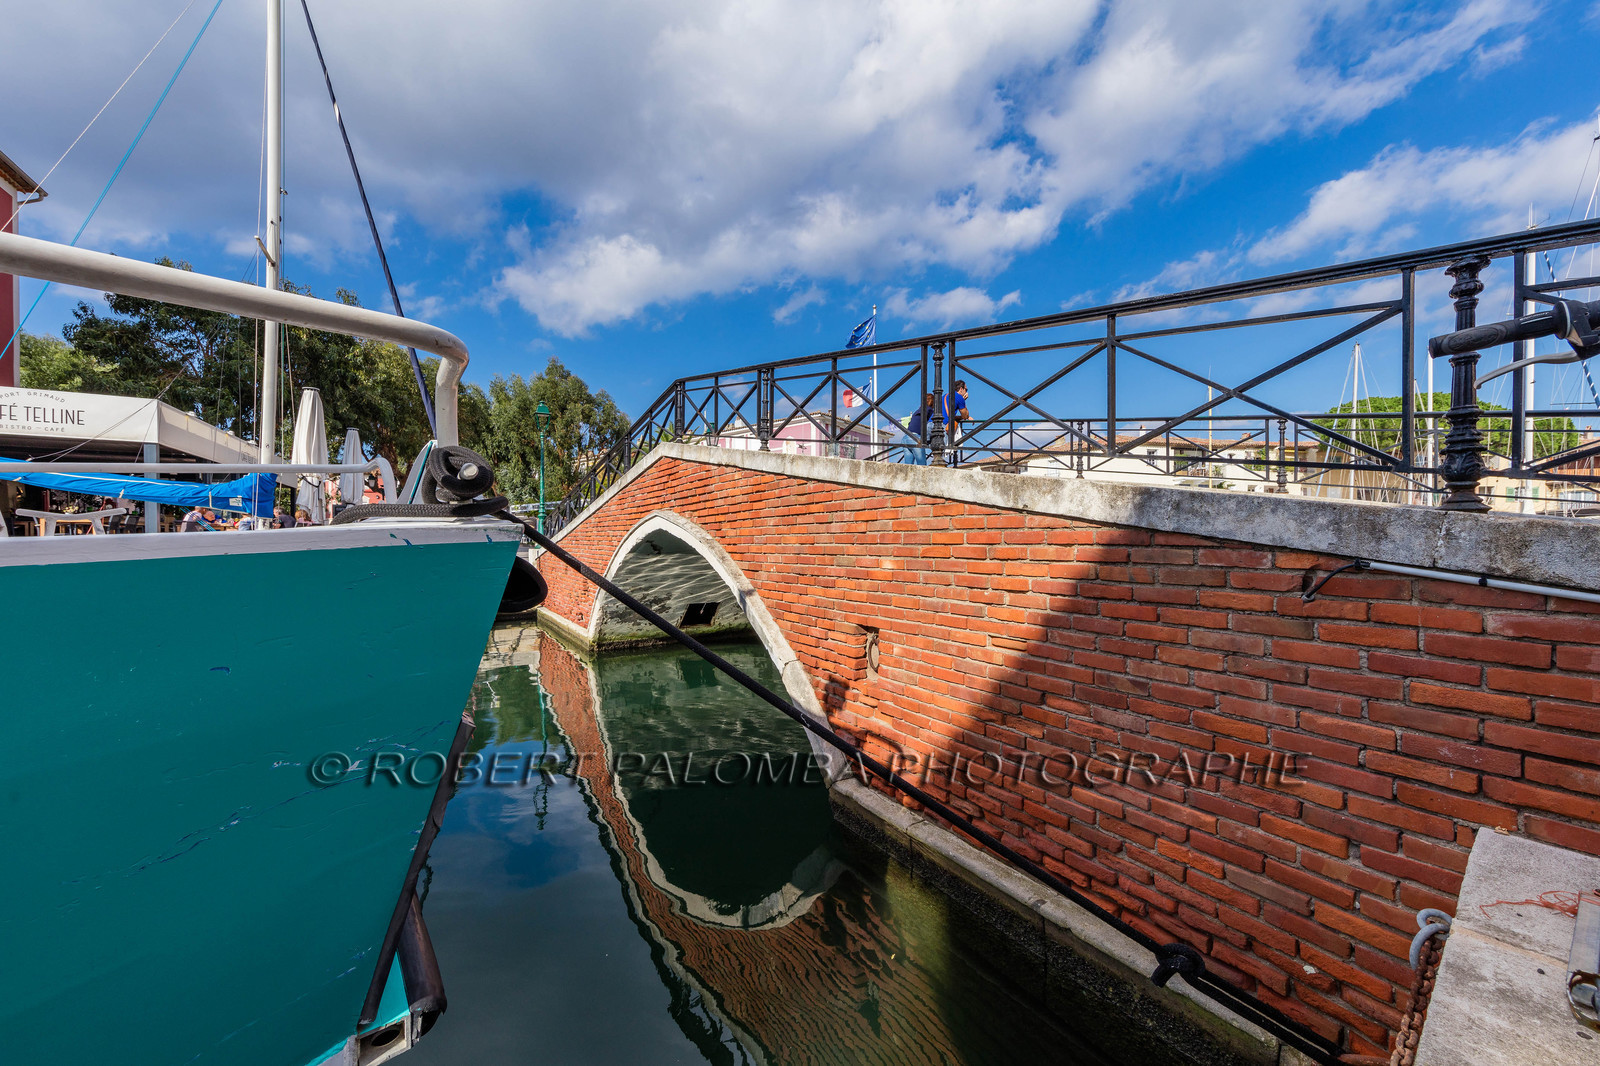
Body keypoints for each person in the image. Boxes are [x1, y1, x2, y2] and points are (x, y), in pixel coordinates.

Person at [903, 392, 935, 466]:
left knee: (908, 466)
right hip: (915, 438)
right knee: (922, 465)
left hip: (906, 438)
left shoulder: (918, 410)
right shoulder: (929, 410)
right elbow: (932, 423)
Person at [944, 380, 969, 464]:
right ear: (961, 389)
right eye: (966, 389)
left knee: (937, 453)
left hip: (932, 424)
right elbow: (965, 415)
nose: (966, 391)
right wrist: (964, 401)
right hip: (944, 426)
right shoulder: (958, 397)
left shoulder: (945, 396)